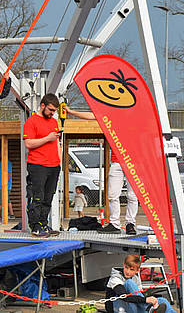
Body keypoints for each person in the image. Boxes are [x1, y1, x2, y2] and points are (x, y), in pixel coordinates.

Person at [64, 106, 138, 235]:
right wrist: (71, 112)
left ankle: (130, 224)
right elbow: (93, 115)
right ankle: (114, 224)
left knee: (132, 196)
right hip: (116, 162)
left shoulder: (135, 118)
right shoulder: (112, 116)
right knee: (112, 195)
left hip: (134, 161)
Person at [23, 93, 62, 237]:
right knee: (36, 196)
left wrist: (59, 160)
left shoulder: (54, 122)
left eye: (54, 111)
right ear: (43, 106)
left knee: (48, 197)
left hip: (53, 165)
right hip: (38, 164)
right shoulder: (32, 121)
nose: (52, 113)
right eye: (50, 110)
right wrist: (47, 138)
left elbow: (56, 141)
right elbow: (29, 143)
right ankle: (35, 226)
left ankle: (43, 223)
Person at [106, 255, 174, 313]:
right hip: (117, 307)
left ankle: (150, 309)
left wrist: (150, 299)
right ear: (124, 265)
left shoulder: (136, 278)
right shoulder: (115, 277)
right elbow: (123, 296)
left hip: (133, 306)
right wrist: (145, 300)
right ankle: (149, 309)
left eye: (131, 269)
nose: (128, 271)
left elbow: (139, 296)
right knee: (129, 282)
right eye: (126, 268)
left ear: (137, 271)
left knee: (162, 300)